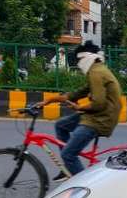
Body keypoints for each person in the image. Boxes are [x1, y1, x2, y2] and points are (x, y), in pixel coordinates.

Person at [43, 41, 122, 178]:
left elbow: (98, 104)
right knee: (61, 126)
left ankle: (82, 184)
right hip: (96, 115)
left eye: (80, 60)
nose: (79, 64)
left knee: (68, 154)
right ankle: (69, 166)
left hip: (100, 119)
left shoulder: (96, 73)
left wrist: (79, 107)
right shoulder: (97, 69)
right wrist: (49, 100)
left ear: (87, 58)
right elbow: (76, 94)